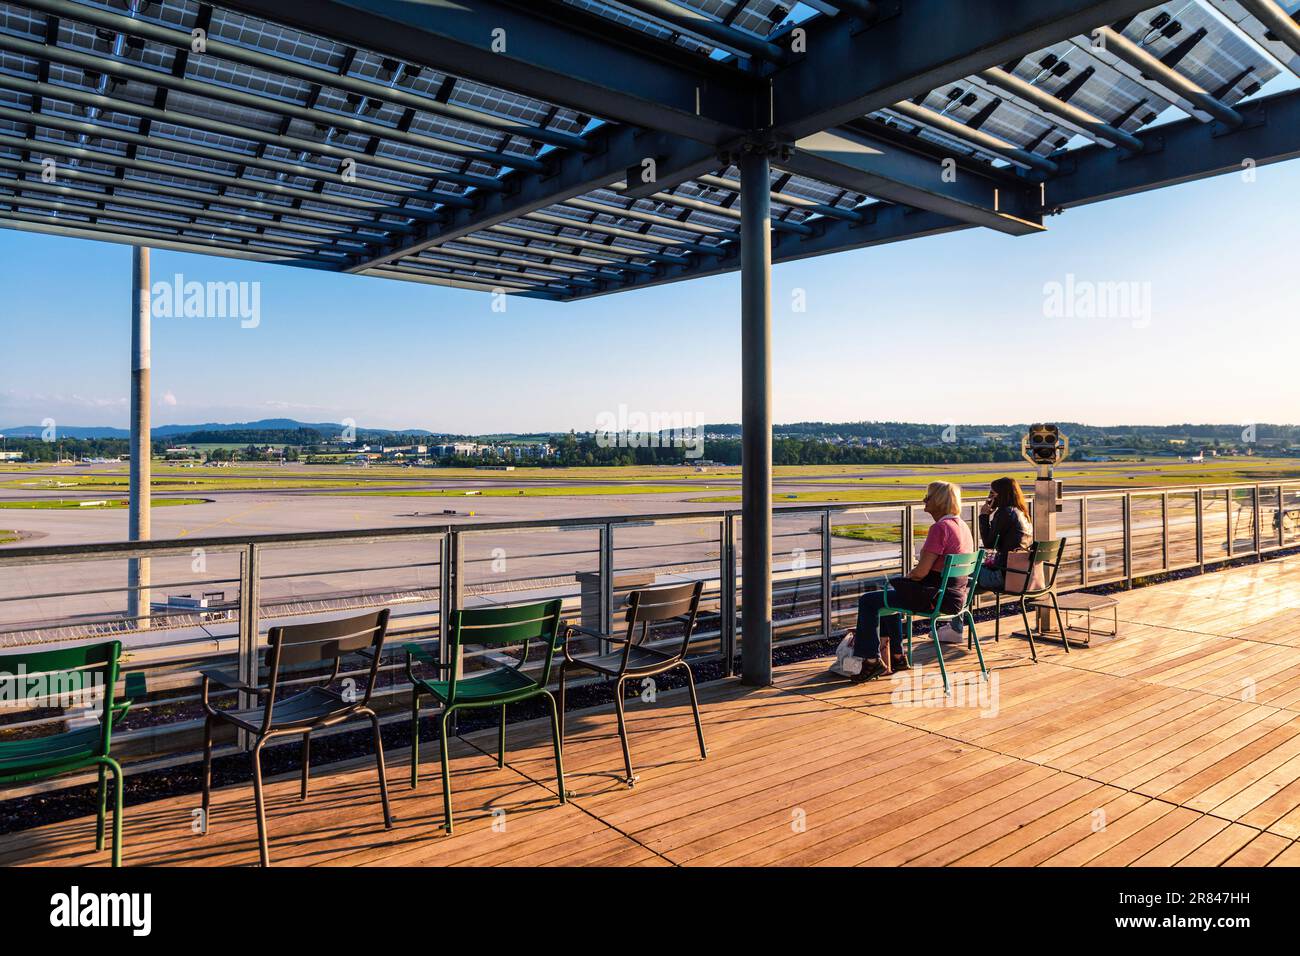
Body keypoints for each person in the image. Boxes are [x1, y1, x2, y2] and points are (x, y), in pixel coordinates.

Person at [847, 481, 973, 681]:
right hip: (955, 597)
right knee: (894, 595)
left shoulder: (940, 528)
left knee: (869, 601)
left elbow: (921, 572)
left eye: (928, 496)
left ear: (939, 501)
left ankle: (871, 660)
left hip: (936, 598)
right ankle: (897, 657)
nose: (924, 499)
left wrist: (906, 578)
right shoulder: (962, 526)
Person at [939, 476, 1032, 642]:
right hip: (1019, 576)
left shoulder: (1005, 513)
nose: (989, 497)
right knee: (969, 585)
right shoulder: (1022, 514)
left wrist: (983, 516)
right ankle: (954, 626)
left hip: (1003, 576)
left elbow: (989, 543)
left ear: (1000, 495)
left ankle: (954, 627)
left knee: (958, 576)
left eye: (992, 493)